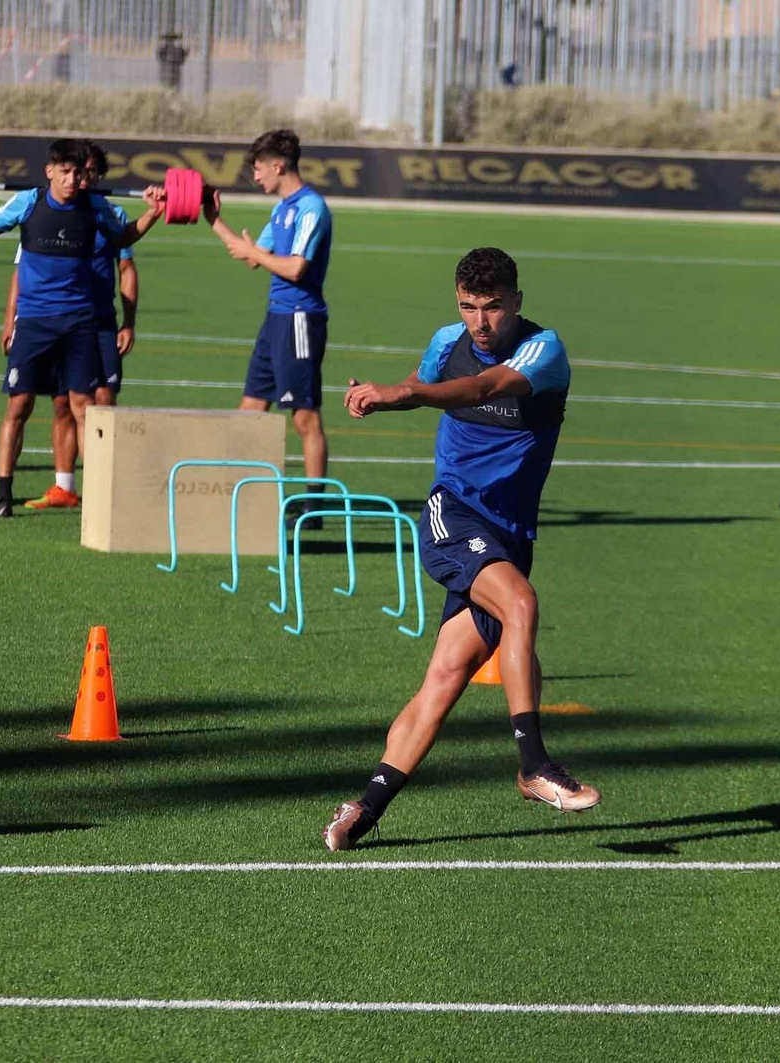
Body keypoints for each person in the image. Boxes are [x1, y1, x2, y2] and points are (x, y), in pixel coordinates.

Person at [324, 247, 598, 851]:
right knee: (521, 605)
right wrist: (392, 395)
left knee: (445, 679)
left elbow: (481, 388)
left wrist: (404, 393)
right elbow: (427, 386)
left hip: (510, 536)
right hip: (453, 514)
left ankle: (363, 808)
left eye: (492, 307)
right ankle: (534, 765)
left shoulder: (543, 351)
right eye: (468, 307)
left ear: (516, 302)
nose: (480, 322)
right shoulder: (446, 341)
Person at [0, 138, 163, 518]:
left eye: (78, 173)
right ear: (49, 171)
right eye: (65, 172)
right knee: (19, 405)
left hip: (80, 322)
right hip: (34, 322)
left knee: (84, 407)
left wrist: (153, 213)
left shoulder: (96, 207)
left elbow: (123, 238)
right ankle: (3, 496)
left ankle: (96, 498)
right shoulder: (28, 202)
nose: (72, 179)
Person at [201, 128, 333, 525]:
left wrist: (251, 251)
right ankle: (236, 494)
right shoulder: (281, 209)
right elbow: (252, 257)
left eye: (258, 169)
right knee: (251, 409)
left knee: (304, 417)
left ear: (278, 165)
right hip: (275, 319)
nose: (255, 176)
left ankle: (314, 507)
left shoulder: (311, 208)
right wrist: (213, 219)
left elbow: (295, 268)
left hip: (300, 320)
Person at [0, 140, 139, 509]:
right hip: (55, 318)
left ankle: (102, 491)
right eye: (77, 171)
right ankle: (64, 487)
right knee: (61, 402)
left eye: (89, 172)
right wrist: (10, 320)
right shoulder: (43, 211)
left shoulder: (110, 213)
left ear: (98, 176)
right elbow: (20, 270)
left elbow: (127, 269)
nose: (82, 179)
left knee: (101, 401)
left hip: (99, 321)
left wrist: (129, 322)